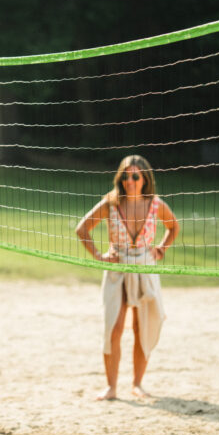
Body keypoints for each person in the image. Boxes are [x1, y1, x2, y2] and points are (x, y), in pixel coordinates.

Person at [75, 155, 180, 401]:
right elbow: (82, 228)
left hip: (145, 267)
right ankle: (111, 387)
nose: (130, 181)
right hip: (118, 268)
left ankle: (137, 384)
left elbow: (174, 226)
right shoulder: (111, 203)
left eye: (135, 176)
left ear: (145, 178)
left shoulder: (155, 204)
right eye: (125, 175)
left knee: (142, 326)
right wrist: (99, 256)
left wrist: (161, 248)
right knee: (114, 326)